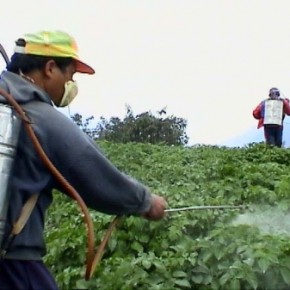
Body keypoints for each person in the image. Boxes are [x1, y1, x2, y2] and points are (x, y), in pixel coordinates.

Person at [0, 30, 167, 290]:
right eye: (71, 75)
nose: (72, 83)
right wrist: (146, 202)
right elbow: (95, 174)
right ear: (50, 68)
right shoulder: (39, 118)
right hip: (13, 264)